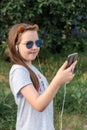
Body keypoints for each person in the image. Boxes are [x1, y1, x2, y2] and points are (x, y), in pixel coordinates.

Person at [8, 23, 77, 130]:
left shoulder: (33, 69)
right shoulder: (18, 71)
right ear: (16, 46)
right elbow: (38, 105)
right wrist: (58, 80)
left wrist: (60, 77)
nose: (35, 47)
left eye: (38, 42)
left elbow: (45, 98)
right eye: (29, 44)